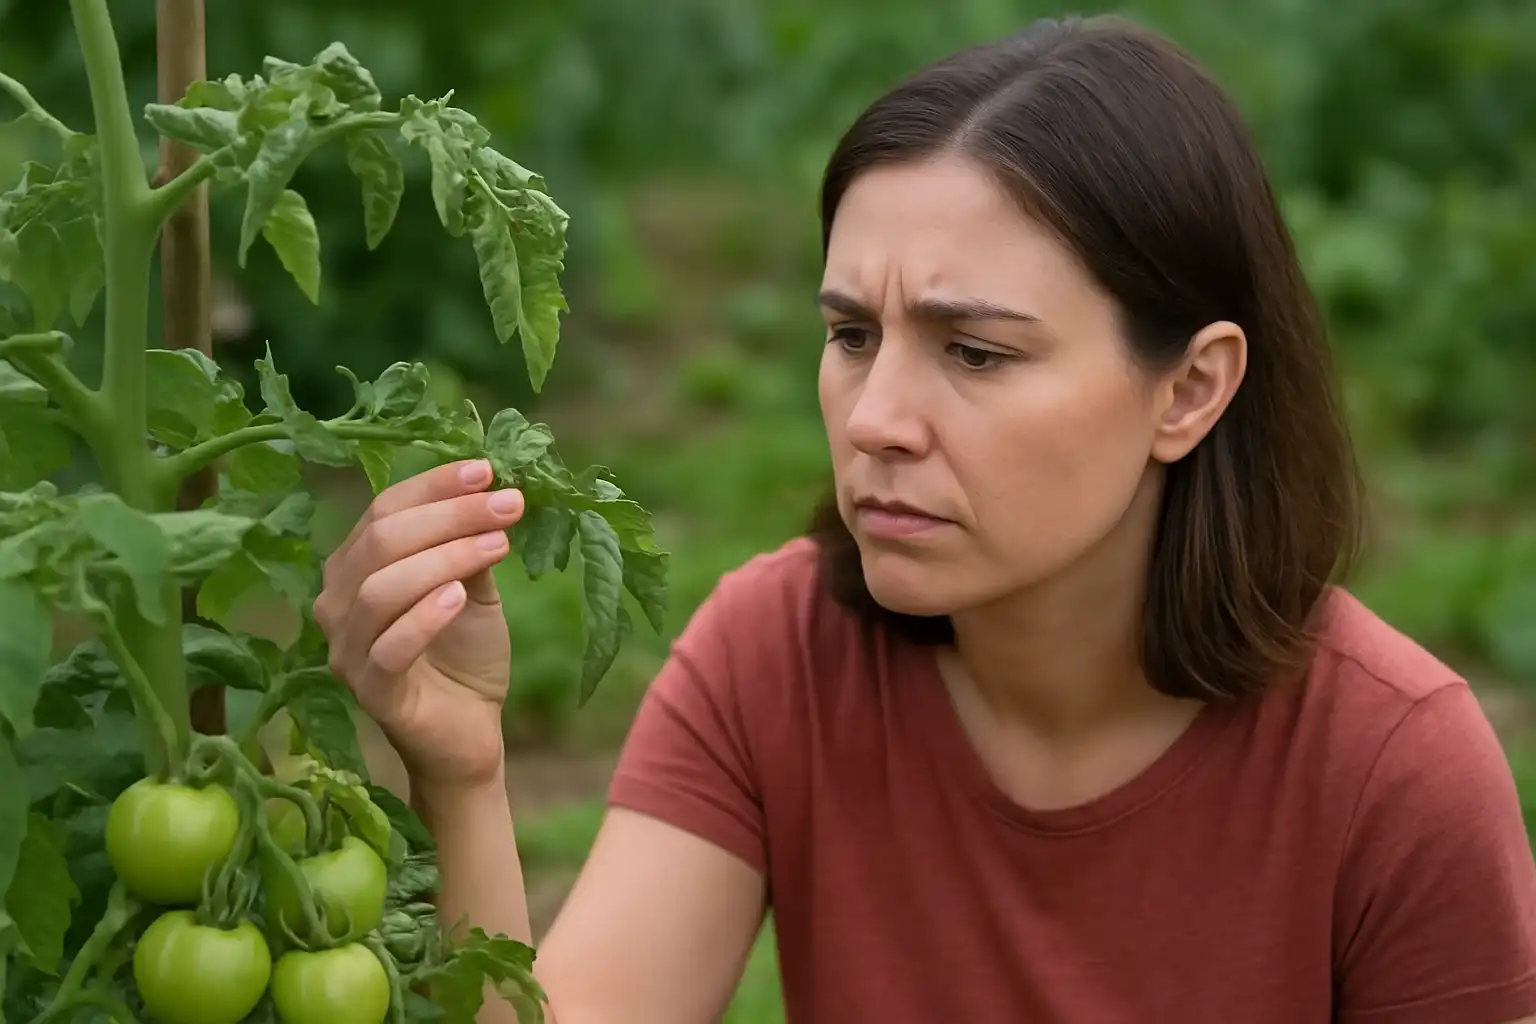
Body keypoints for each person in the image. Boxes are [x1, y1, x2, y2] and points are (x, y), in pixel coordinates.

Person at [311, 13, 1536, 1024]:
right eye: (852, 335)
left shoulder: (1391, 768)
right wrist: (462, 777)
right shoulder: (779, 655)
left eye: (977, 352)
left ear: (1191, 388)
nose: (875, 416)